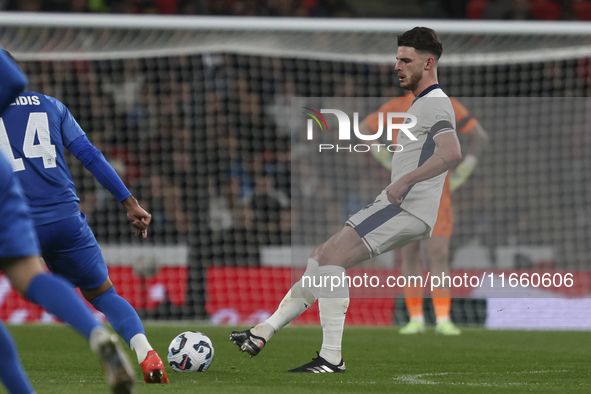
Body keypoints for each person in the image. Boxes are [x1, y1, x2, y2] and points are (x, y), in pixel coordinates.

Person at [231, 27, 462, 372]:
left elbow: (452, 152)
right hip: (398, 203)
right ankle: (263, 331)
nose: (397, 65)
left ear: (428, 62)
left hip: (406, 206)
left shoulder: (435, 103)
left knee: (333, 259)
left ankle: (331, 358)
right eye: (397, 58)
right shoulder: (421, 104)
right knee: (320, 256)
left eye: (405, 60)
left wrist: (406, 182)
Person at [0, 50, 169, 384]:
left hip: (16, 221)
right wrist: (129, 202)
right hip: (66, 218)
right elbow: (90, 155)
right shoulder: (52, 104)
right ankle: (145, 353)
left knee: (29, 279)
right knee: (103, 294)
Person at [360, 95, 488, 335]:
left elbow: (479, 136)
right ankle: (416, 318)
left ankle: (443, 318)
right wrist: (387, 161)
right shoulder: (397, 105)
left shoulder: (447, 104)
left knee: (438, 253)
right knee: (410, 254)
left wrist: (462, 173)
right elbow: (364, 129)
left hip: (440, 195)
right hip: (406, 193)